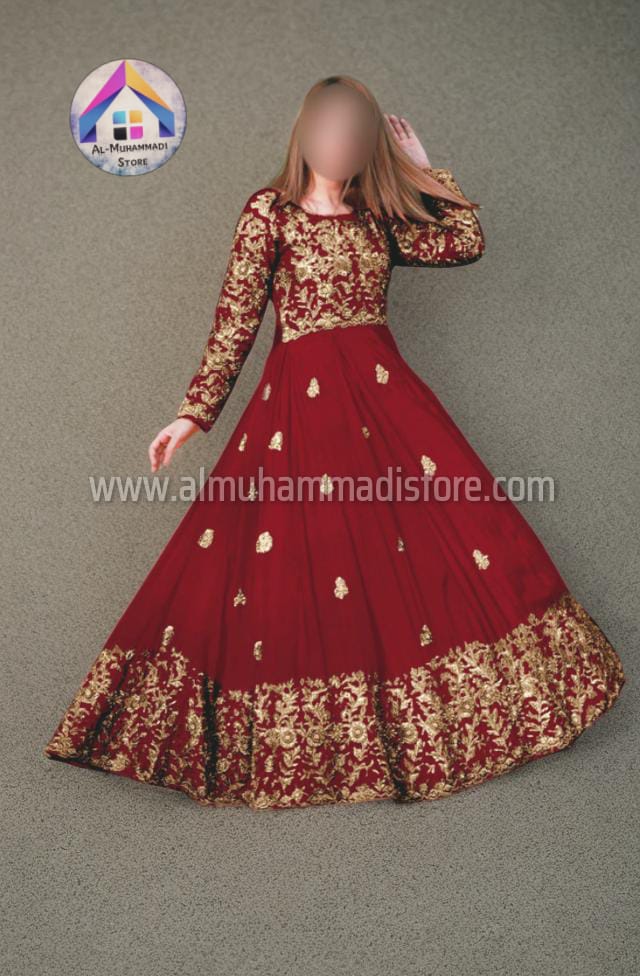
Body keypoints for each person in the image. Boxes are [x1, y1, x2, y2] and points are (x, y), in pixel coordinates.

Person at [44, 75, 626, 811]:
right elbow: (236, 320)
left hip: (388, 406)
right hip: (302, 411)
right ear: (306, 134)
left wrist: (427, 172)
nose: (340, 146)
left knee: (442, 538)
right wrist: (193, 416)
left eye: (355, 135)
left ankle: (426, 724)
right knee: (305, 559)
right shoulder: (269, 213)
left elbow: (464, 243)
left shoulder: (378, 217)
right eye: (330, 131)